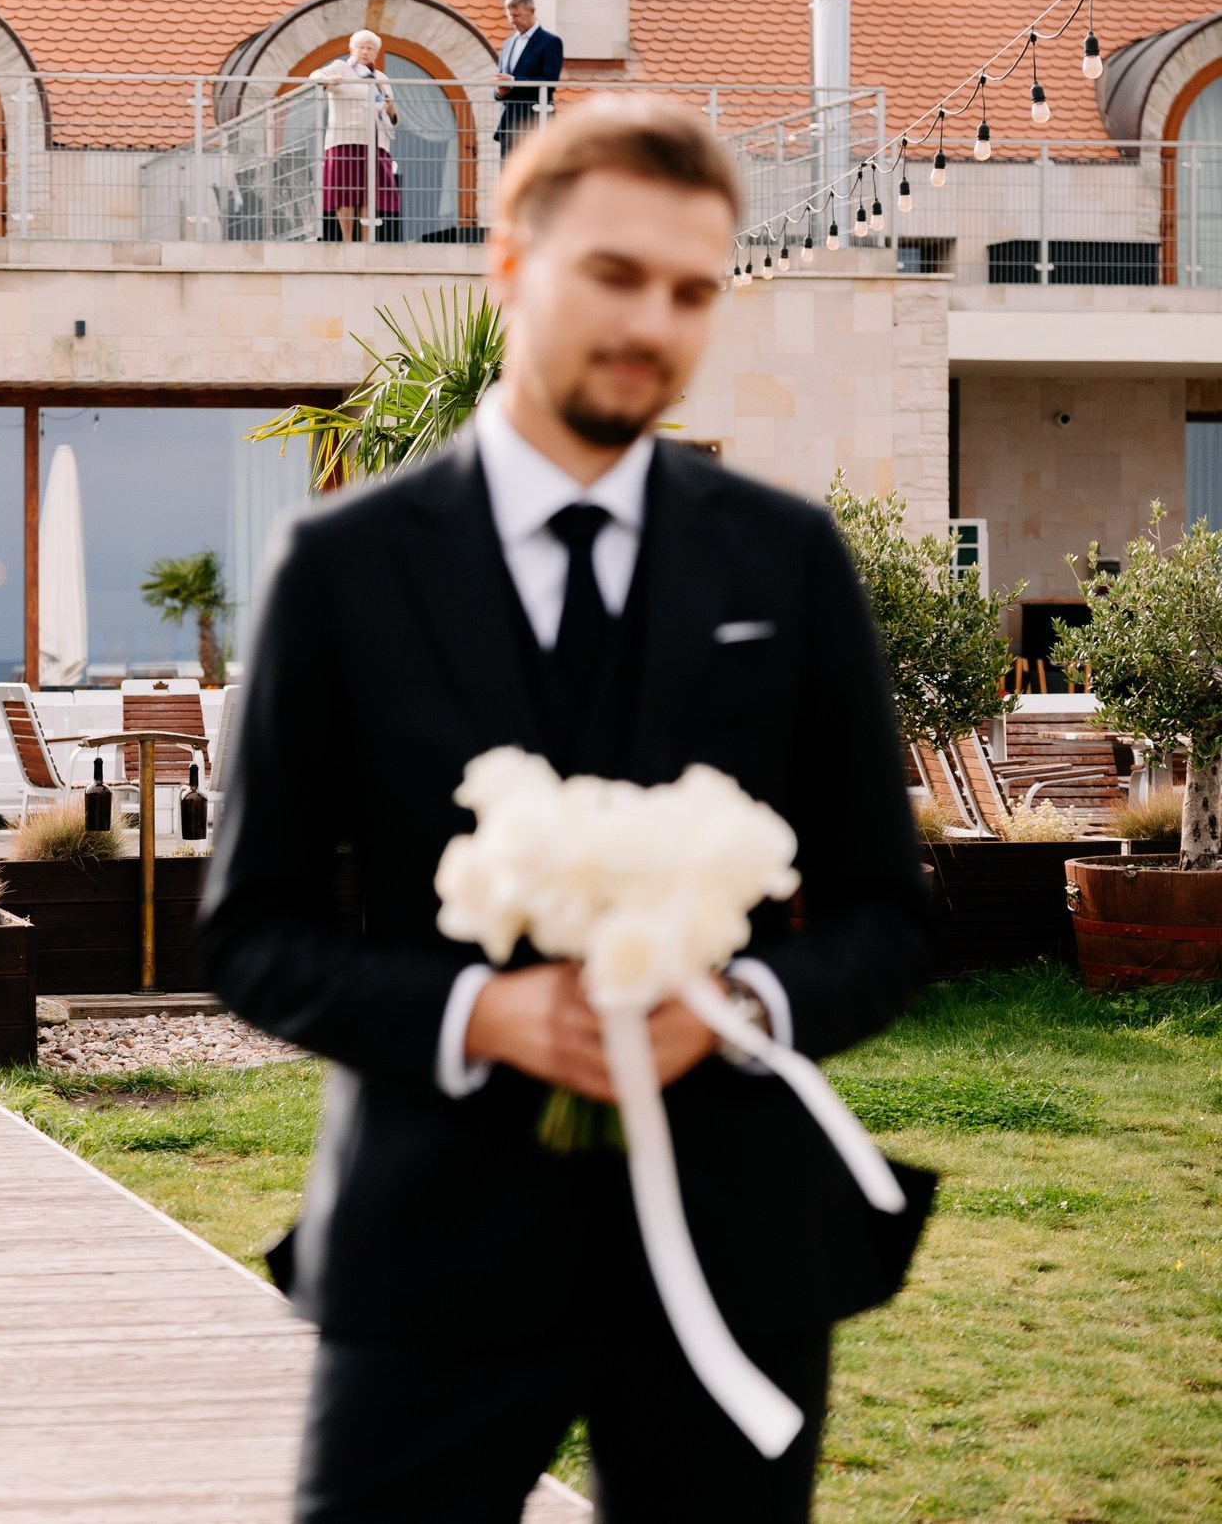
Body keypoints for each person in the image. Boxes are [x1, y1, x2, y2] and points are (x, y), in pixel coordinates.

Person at [201, 100, 932, 1523]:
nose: (654, 319)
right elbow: (252, 930)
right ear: (512, 265)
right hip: (430, 1250)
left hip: (729, 1245)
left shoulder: (785, 561)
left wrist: (744, 1003)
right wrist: (481, 1015)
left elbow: (886, 916)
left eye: (692, 290)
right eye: (615, 273)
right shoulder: (342, 567)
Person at [312, 31, 397, 243]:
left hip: (375, 141)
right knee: (346, 192)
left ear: (376, 52)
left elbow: (393, 117)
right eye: (361, 47)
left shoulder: (381, 78)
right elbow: (314, 76)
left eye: (370, 48)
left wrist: (392, 110)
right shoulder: (342, 68)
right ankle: (348, 240)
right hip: (345, 139)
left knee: (370, 192)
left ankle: (368, 240)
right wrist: (329, 79)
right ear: (352, 49)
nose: (365, 52)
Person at [493, 0, 565, 161]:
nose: (512, 21)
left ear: (531, 11)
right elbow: (501, 81)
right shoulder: (508, 44)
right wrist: (499, 92)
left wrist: (514, 81)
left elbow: (549, 81)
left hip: (535, 123)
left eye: (517, 15)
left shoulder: (550, 43)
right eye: (510, 16)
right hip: (509, 124)